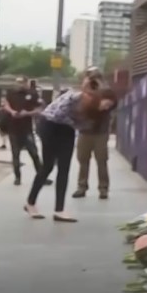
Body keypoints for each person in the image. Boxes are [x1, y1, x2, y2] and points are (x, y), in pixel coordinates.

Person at [25, 78, 117, 223]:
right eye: (106, 104)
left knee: (64, 168)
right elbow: (58, 114)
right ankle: (30, 203)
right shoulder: (75, 97)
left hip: (67, 130)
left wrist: (79, 123)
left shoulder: (96, 113)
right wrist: (76, 122)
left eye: (109, 107)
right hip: (50, 125)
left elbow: (84, 126)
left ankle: (59, 210)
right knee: (48, 167)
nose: (106, 108)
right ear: (98, 98)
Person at [73, 69, 116, 200]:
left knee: (101, 161)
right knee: (83, 160)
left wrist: (93, 91)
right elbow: (78, 108)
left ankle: (103, 188)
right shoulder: (82, 94)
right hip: (84, 131)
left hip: (100, 132)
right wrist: (85, 89)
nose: (93, 82)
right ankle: (82, 187)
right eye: (90, 79)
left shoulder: (107, 93)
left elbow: (102, 106)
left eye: (95, 79)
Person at [2, 76, 51, 186]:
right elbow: (6, 104)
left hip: (26, 129)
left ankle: (41, 177)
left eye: (22, 83)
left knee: (34, 153)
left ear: (26, 83)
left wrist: (27, 113)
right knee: (15, 154)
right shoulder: (11, 92)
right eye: (18, 82)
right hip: (13, 128)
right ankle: (17, 178)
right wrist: (12, 111)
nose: (19, 85)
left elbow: (39, 109)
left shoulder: (32, 94)